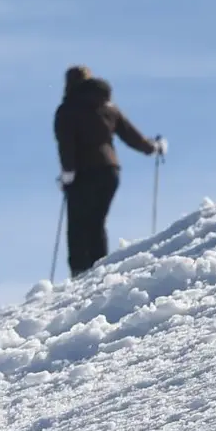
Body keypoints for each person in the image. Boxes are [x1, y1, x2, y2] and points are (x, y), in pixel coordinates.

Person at [54, 66, 164, 276]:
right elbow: (131, 135)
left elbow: (65, 144)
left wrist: (67, 173)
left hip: (82, 173)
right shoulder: (107, 107)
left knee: (77, 224)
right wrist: (152, 147)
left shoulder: (67, 109)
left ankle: (79, 273)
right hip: (110, 171)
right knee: (97, 223)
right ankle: (99, 270)